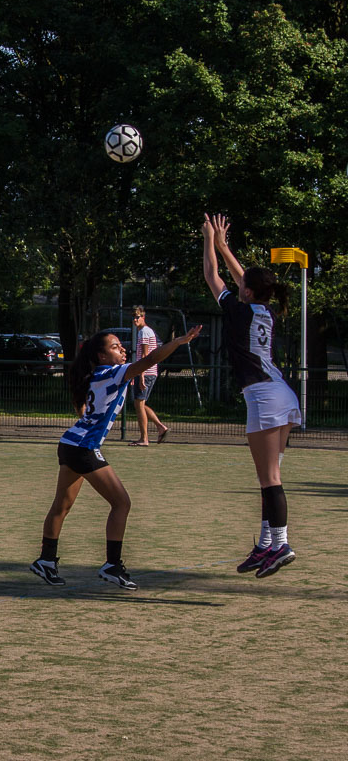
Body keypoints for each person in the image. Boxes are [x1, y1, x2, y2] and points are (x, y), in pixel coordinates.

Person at [29, 324, 203, 590]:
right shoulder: (112, 373)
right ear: (101, 356)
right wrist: (179, 341)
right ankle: (112, 565)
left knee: (61, 507)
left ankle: (46, 560)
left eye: (121, 345)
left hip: (70, 443)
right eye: (114, 347)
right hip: (83, 447)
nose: (122, 349)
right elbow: (150, 360)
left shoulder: (98, 374)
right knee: (121, 503)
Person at [203, 212, 303, 578]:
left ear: (247, 291)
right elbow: (245, 280)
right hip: (282, 394)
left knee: (269, 479)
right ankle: (266, 545)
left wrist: (207, 240)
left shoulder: (240, 310)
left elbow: (212, 277)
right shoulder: (264, 310)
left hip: (264, 397)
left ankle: (281, 544)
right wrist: (224, 245)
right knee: (270, 476)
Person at [127, 307, 169, 445]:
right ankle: (160, 427)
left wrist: (141, 375)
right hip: (147, 371)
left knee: (139, 403)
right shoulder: (145, 331)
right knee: (140, 403)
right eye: (133, 317)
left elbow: (145, 356)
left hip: (147, 372)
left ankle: (144, 438)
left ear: (143, 317)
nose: (135, 319)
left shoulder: (144, 332)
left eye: (137, 317)